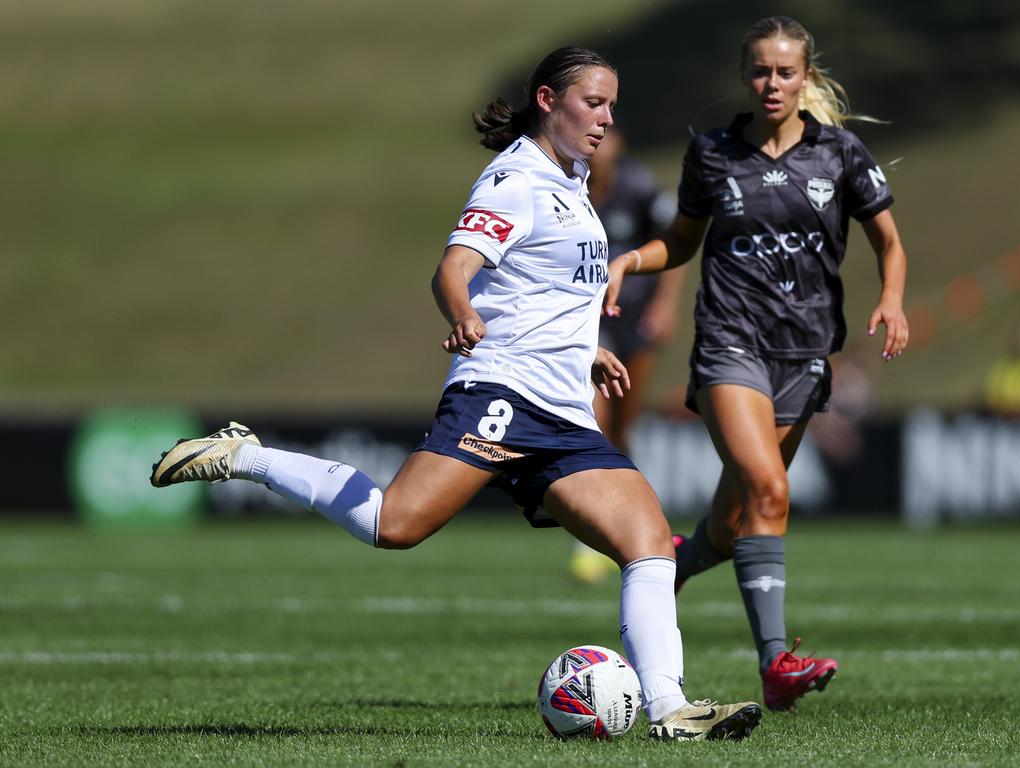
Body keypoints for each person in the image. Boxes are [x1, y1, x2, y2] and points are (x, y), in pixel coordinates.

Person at [150, 47, 761, 742]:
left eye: (611, 105)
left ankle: (670, 710)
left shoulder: (576, 176)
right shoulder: (515, 179)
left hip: (562, 410)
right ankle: (246, 456)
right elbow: (454, 269)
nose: (606, 118)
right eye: (593, 102)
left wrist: (584, 349)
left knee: (649, 541)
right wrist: (463, 314)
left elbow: (548, 288)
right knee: (394, 525)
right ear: (547, 101)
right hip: (500, 392)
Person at [604, 17, 910, 712]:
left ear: (805, 78)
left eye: (784, 72)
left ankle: (664, 571)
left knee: (732, 524)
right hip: (727, 346)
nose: (771, 84)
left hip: (805, 357)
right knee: (770, 490)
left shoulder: (841, 154)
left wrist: (892, 299)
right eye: (760, 72)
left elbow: (889, 242)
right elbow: (681, 242)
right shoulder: (712, 154)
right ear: (744, 77)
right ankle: (776, 667)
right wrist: (633, 258)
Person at [569, 128, 685, 584]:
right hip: (592, 323)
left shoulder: (639, 189)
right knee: (593, 421)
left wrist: (664, 305)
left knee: (623, 427)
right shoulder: (567, 189)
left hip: (636, 319)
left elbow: (675, 246)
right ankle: (588, 541)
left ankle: (627, 527)